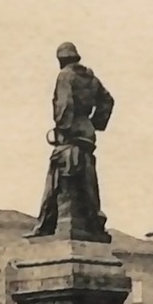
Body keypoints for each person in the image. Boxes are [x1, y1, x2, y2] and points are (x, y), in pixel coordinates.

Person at [27, 42, 115, 239]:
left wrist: (63, 128)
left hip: (71, 135)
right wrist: (95, 123)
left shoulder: (65, 75)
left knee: (56, 179)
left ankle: (47, 226)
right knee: (86, 179)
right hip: (86, 133)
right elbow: (108, 100)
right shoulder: (91, 78)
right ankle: (93, 223)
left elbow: (64, 104)